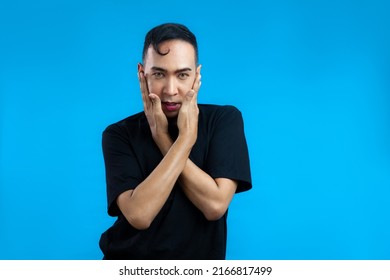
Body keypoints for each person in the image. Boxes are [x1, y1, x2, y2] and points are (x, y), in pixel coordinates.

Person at [99, 23, 252, 260]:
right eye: (159, 74)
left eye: (182, 75)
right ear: (142, 73)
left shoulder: (223, 120)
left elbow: (214, 206)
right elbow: (139, 215)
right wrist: (182, 142)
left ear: (196, 75)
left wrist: (164, 139)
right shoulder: (118, 134)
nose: (171, 90)